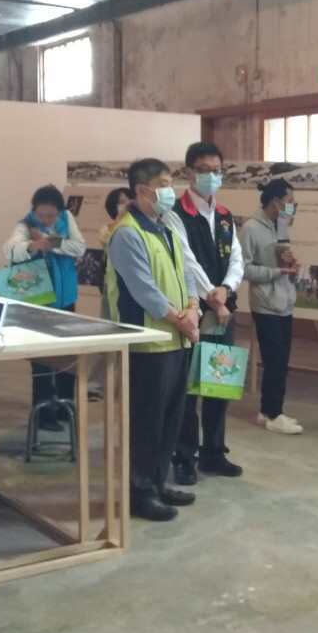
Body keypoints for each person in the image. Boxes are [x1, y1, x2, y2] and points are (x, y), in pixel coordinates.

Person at [105, 158, 200, 521]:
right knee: (146, 423)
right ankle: (140, 492)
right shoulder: (127, 233)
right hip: (147, 343)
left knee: (171, 419)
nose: (170, 191)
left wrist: (193, 308)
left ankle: (158, 484)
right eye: (163, 184)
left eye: (170, 183)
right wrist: (182, 320)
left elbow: (186, 274)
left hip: (175, 340)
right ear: (142, 190)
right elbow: (144, 290)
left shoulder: (165, 228)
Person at [164, 142, 244, 484]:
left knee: (219, 382)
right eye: (203, 170)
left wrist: (227, 289)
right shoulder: (175, 213)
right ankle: (184, 456)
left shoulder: (224, 215)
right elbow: (186, 261)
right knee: (188, 389)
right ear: (188, 172)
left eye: (216, 170)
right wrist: (213, 297)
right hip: (193, 311)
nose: (211, 176)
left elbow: (237, 258)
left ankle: (213, 453)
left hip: (223, 312)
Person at [3, 184, 87, 431]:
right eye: (42, 215)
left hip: (65, 297)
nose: (47, 219)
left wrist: (51, 242)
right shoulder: (24, 225)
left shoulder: (67, 218)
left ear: (60, 211)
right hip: (37, 298)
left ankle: (65, 406)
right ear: (34, 210)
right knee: (41, 359)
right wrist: (33, 246)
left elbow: (79, 246)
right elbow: (9, 250)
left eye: (52, 216)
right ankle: (43, 412)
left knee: (67, 354)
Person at [239, 179, 303, 435]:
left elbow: (282, 260)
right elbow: (243, 268)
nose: (292, 206)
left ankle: (267, 411)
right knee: (275, 360)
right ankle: (274, 414)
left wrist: (291, 267)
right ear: (276, 201)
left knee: (281, 359)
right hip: (265, 303)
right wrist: (276, 272)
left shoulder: (282, 225)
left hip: (285, 301)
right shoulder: (250, 228)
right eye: (289, 201)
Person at [85, 187, 135, 402]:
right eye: (121, 202)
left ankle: (129, 387)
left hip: (135, 288)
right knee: (107, 335)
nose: (126, 204)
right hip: (112, 289)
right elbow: (108, 239)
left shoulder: (141, 225)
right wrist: (122, 217)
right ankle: (95, 385)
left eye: (129, 200)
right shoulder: (108, 228)